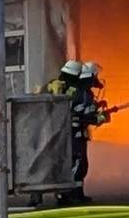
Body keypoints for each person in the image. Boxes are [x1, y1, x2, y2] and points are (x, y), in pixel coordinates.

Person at [43, 60, 109, 204]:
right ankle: (76, 194)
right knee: (78, 163)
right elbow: (87, 116)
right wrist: (101, 117)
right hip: (75, 134)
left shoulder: (60, 89)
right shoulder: (83, 93)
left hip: (59, 134)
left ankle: (62, 195)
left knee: (64, 163)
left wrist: (97, 107)